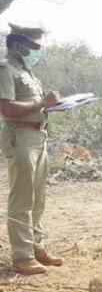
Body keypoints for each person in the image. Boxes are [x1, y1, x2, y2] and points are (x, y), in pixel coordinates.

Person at [0, 24, 62, 275]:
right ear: (17, 45)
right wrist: (42, 103)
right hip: (21, 137)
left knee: (37, 198)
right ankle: (22, 257)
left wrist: (50, 106)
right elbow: (7, 109)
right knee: (22, 198)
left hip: (38, 136)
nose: (36, 52)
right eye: (33, 47)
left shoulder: (26, 70)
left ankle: (37, 248)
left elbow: (32, 105)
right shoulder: (5, 69)